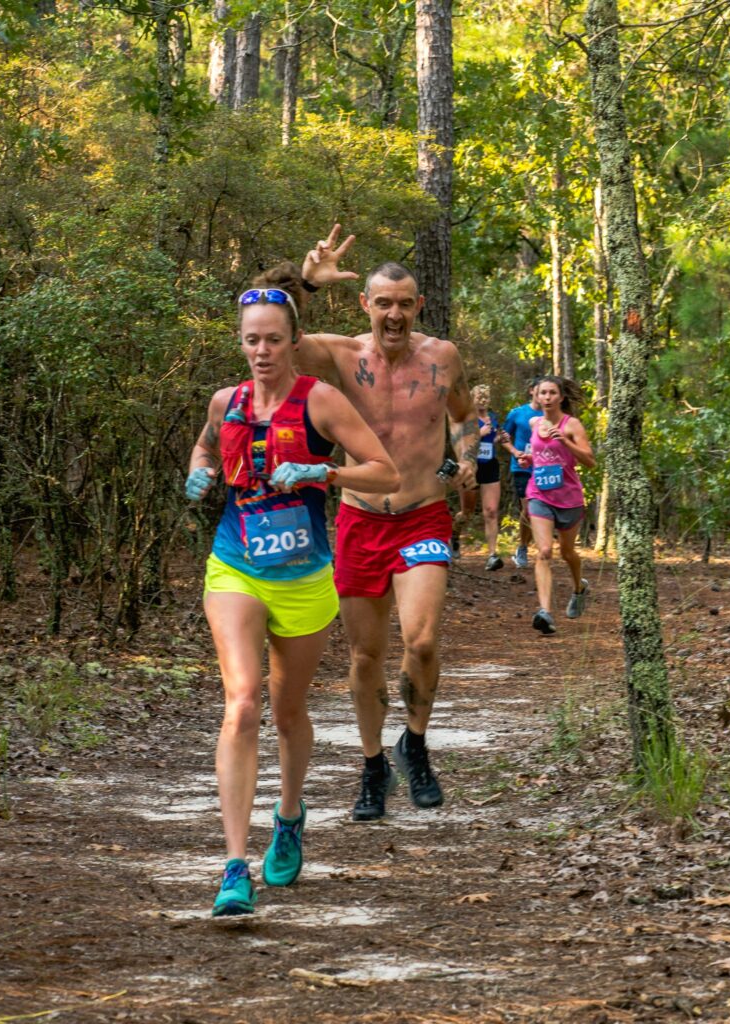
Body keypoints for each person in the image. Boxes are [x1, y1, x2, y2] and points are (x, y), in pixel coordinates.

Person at [185, 265, 399, 916]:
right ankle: (232, 867)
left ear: (292, 339)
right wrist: (197, 474)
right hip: (236, 565)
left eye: (273, 339)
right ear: (240, 342)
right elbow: (201, 449)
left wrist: (323, 471)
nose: (261, 351)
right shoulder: (225, 403)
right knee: (242, 703)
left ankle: (288, 814)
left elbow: (384, 473)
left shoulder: (320, 401)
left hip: (305, 577)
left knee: (286, 713)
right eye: (251, 339)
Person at [297, 225, 479, 822]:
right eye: (383, 303)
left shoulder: (442, 356)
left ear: (418, 306)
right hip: (359, 521)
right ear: (364, 305)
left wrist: (467, 457)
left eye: (404, 303)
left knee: (422, 641)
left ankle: (416, 745)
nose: (394, 314)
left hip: (423, 513)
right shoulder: (341, 355)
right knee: (364, 656)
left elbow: (463, 414)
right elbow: (275, 339)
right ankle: (374, 766)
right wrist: (305, 281)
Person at [516, 375, 595, 635]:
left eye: (552, 393)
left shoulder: (571, 425)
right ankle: (545, 612)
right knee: (545, 551)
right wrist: (530, 459)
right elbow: (539, 454)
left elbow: (590, 461)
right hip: (539, 493)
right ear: (536, 397)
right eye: (543, 393)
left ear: (561, 397)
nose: (547, 398)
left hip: (569, 497)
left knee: (567, 553)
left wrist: (565, 441)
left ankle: (579, 588)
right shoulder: (533, 422)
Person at [454, 384, 504, 570]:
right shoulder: (467, 420)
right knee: (466, 512)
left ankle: (492, 555)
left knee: (491, 511)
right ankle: (455, 535)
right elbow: (461, 444)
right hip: (470, 467)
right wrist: (479, 434)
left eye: (486, 398)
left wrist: (498, 438)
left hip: (490, 466)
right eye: (479, 398)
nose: (483, 401)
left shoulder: (493, 418)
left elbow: (493, 440)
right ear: (472, 398)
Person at [502, 378, 541, 569]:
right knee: (529, 509)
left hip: (545, 468)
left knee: (539, 510)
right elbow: (503, 437)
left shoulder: (552, 415)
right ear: (531, 391)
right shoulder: (517, 413)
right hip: (522, 467)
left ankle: (539, 547)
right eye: (540, 390)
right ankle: (523, 548)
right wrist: (515, 452)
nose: (544, 395)